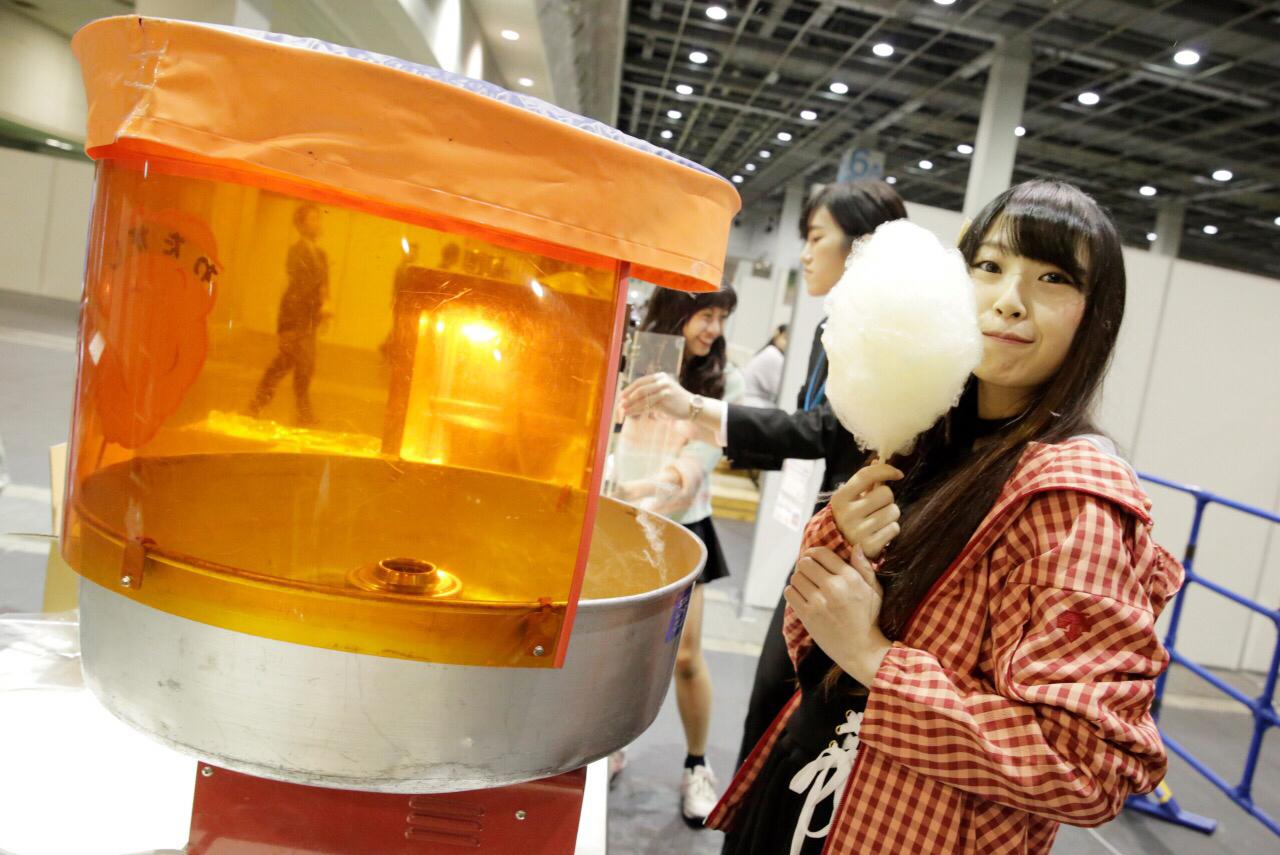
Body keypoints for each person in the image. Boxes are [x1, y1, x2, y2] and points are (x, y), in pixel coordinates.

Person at [704, 179, 1183, 854]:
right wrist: (838, 537)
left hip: (897, 827)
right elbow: (811, 629)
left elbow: (1086, 765)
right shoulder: (925, 436)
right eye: (989, 265)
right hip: (804, 782)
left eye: (1052, 278)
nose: (1009, 299)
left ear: (1095, 315)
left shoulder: (1075, 497)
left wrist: (875, 659)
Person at [621, 180, 907, 766]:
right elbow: (808, 432)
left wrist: (695, 414)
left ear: (861, 246)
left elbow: (820, 430)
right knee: (771, 695)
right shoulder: (832, 328)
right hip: (825, 531)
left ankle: (708, 773)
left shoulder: (887, 333)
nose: (804, 254)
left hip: (865, 541)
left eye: (816, 238)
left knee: (791, 701)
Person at [613, 284, 741, 827]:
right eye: (706, 314)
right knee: (618, 650)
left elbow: (697, 461)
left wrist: (642, 489)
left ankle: (697, 765)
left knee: (685, 656)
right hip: (622, 522)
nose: (714, 329)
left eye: (721, 317)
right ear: (678, 312)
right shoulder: (636, 361)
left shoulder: (722, 383)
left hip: (683, 528)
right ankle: (609, 745)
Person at [248, 202, 330, 425]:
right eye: (312, 219)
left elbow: (324, 285)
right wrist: (317, 302)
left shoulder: (321, 255)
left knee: (296, 364)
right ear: (301, 225)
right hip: (294, 316)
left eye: (318, 219)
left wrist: (325, 306)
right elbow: (300, 285)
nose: (317, 224)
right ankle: (296, 412)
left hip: (309, 319)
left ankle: (261, 404)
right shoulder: (296, 252)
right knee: (294, 363)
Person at [739, 325, 788, 407]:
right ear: (777, 335)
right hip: (750, 402)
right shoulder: (773, 354)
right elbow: (781, 390)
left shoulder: (769, 351)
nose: (787, 344)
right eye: (785, 338)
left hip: (747, 400)